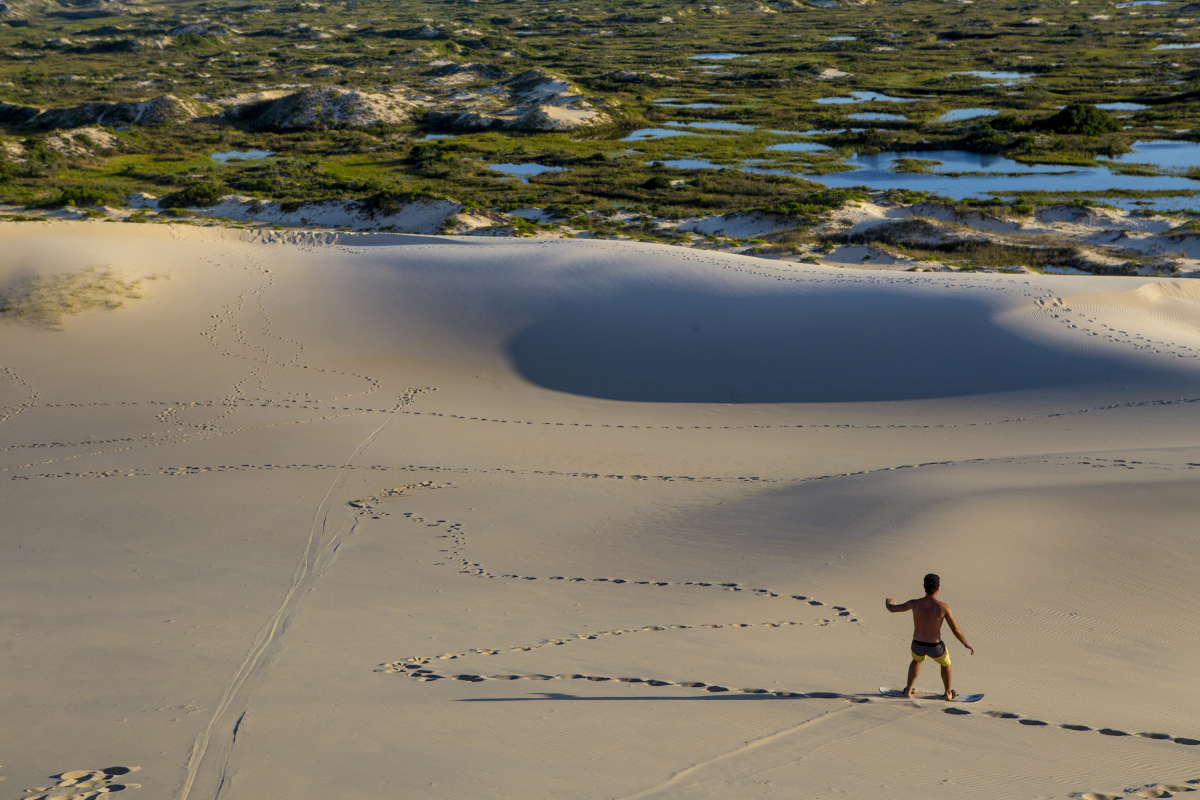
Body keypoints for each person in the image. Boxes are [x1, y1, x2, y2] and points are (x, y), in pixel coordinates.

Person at [885, 573, 974, 700]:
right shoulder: (943, 607)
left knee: (916, 660)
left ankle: (908, 690)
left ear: (924, 587)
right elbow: (955, 630)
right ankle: (948, 693)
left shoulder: (915, 603)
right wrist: (966, 644)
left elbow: (892, 609)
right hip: (935, 647)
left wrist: (889, 603)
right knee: (946, 664)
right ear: (938, 588)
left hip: (917, 645)